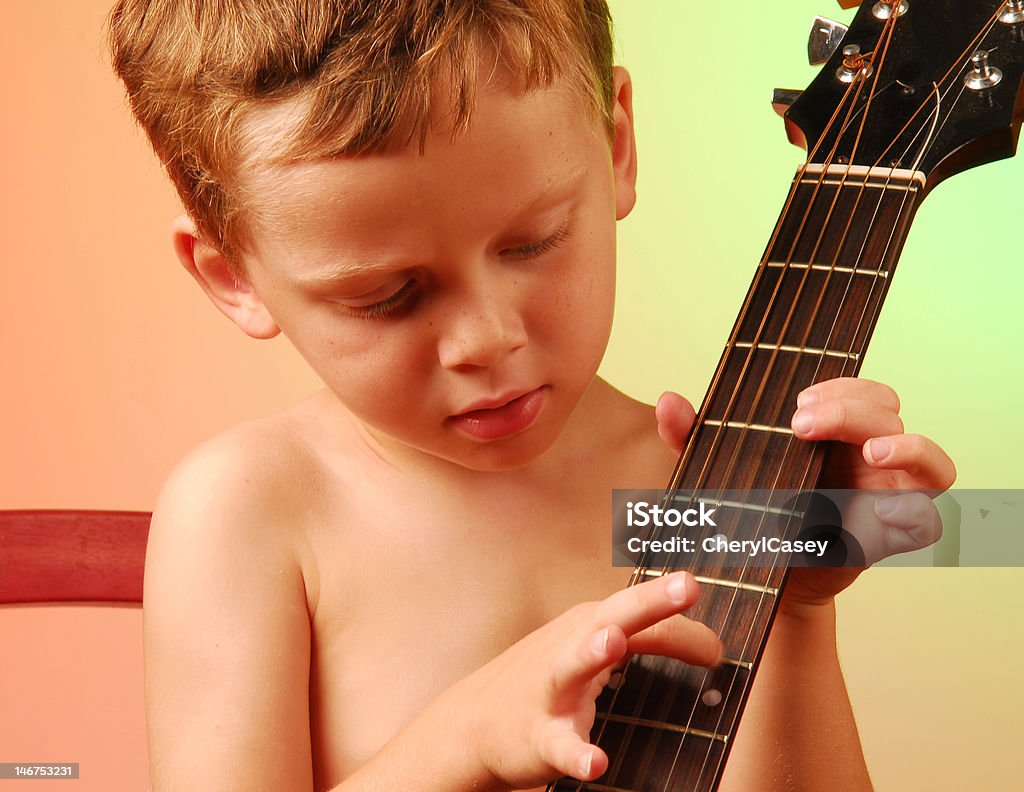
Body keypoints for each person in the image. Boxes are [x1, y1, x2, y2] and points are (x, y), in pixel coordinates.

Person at [107, 1, 955, 789]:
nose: (488, 339)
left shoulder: (693, 483)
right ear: (233, 277)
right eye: (385, 296)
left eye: (533, 242)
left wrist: (795, 613)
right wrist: (460, 742)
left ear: (616, 144)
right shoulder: (250, 512)